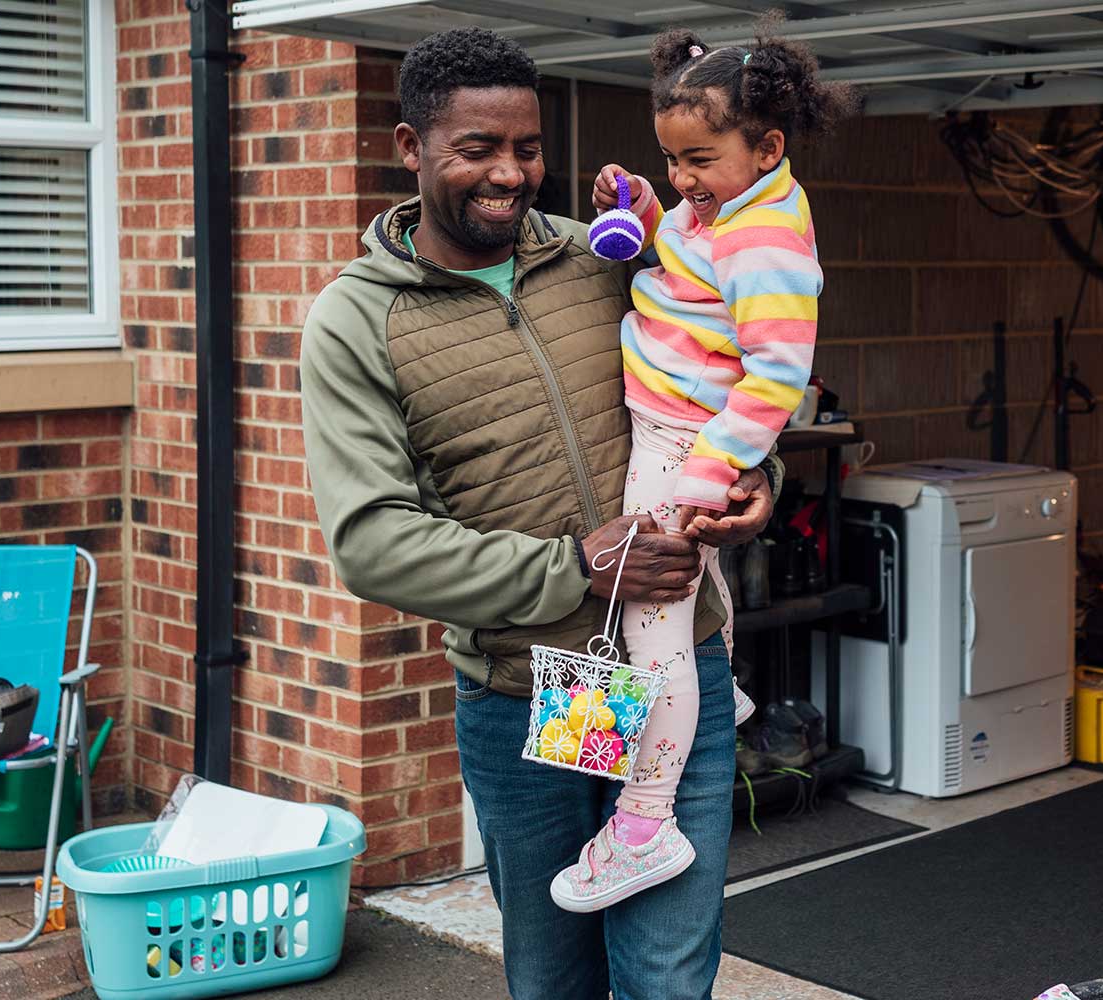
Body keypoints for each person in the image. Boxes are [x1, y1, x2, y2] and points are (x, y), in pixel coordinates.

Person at [297, 27, 778, 1000]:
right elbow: (371, 542)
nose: (510, 174)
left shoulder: (596, 258)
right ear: (410, 147)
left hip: (674, 665)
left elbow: (722, 358)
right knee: (556, 976)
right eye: (478, 148)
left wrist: (753, 472)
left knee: (667, 973)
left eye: (525, 147)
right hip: (533, 693)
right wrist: (575, 568)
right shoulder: (356, 320)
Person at [546, 24, 855, 914]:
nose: (685, 179)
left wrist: (704, 475)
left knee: (646, 623)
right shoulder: (723, 209)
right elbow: (684, 259)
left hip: (686, 443)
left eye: (698, 160)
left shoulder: (766, 243)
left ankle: (645, 825)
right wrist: (647, 209)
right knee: (676, 617)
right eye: (672, 160)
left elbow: (778, 379)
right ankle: (715, 697)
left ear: (768, 148)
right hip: (669, 429)